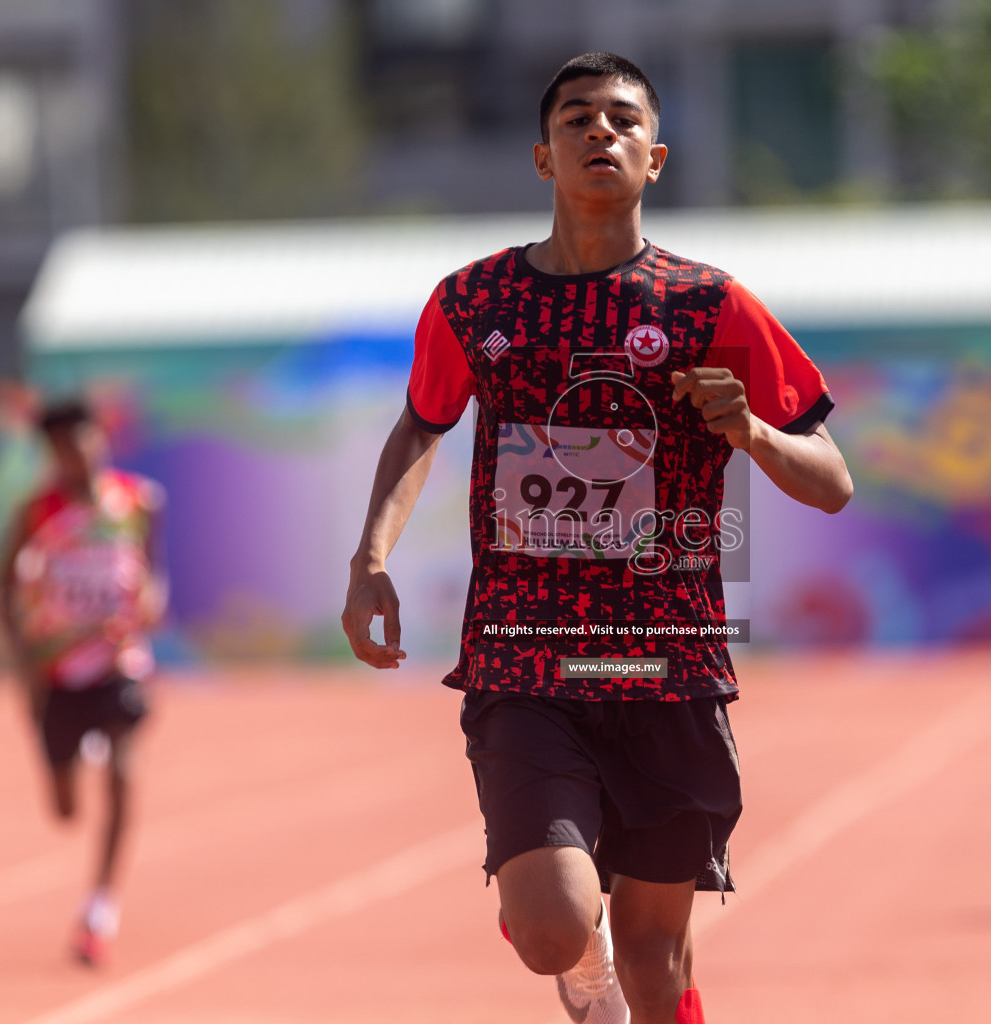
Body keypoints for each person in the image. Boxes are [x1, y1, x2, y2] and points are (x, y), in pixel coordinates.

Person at [342, 53, 852, 1024]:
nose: (600, 131)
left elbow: (832, 481)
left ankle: (621, 972)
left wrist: (749, 430)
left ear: (655, 158)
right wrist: (371, 559)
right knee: (554, 927)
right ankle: (579, 966)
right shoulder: (475, 302)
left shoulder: (710, 306)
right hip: (527, 662)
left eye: (623, 119)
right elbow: (421, 423)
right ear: (543, 156)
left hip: (669, 666)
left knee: (659, 966)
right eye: (578, 118)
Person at [0, 399, 166, 964]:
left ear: (101, 437)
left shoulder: (138, 502)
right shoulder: (35, 511)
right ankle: (70, 756)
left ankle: (99, 909)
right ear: (51, 452)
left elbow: (152, 572)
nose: (77, 451)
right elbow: (2, 585)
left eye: (84, 437)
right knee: (66, 809)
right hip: (57, 670)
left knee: (122, 770)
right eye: (63, 443)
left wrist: (151, 598)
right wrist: (23, 654)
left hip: (118, 662)